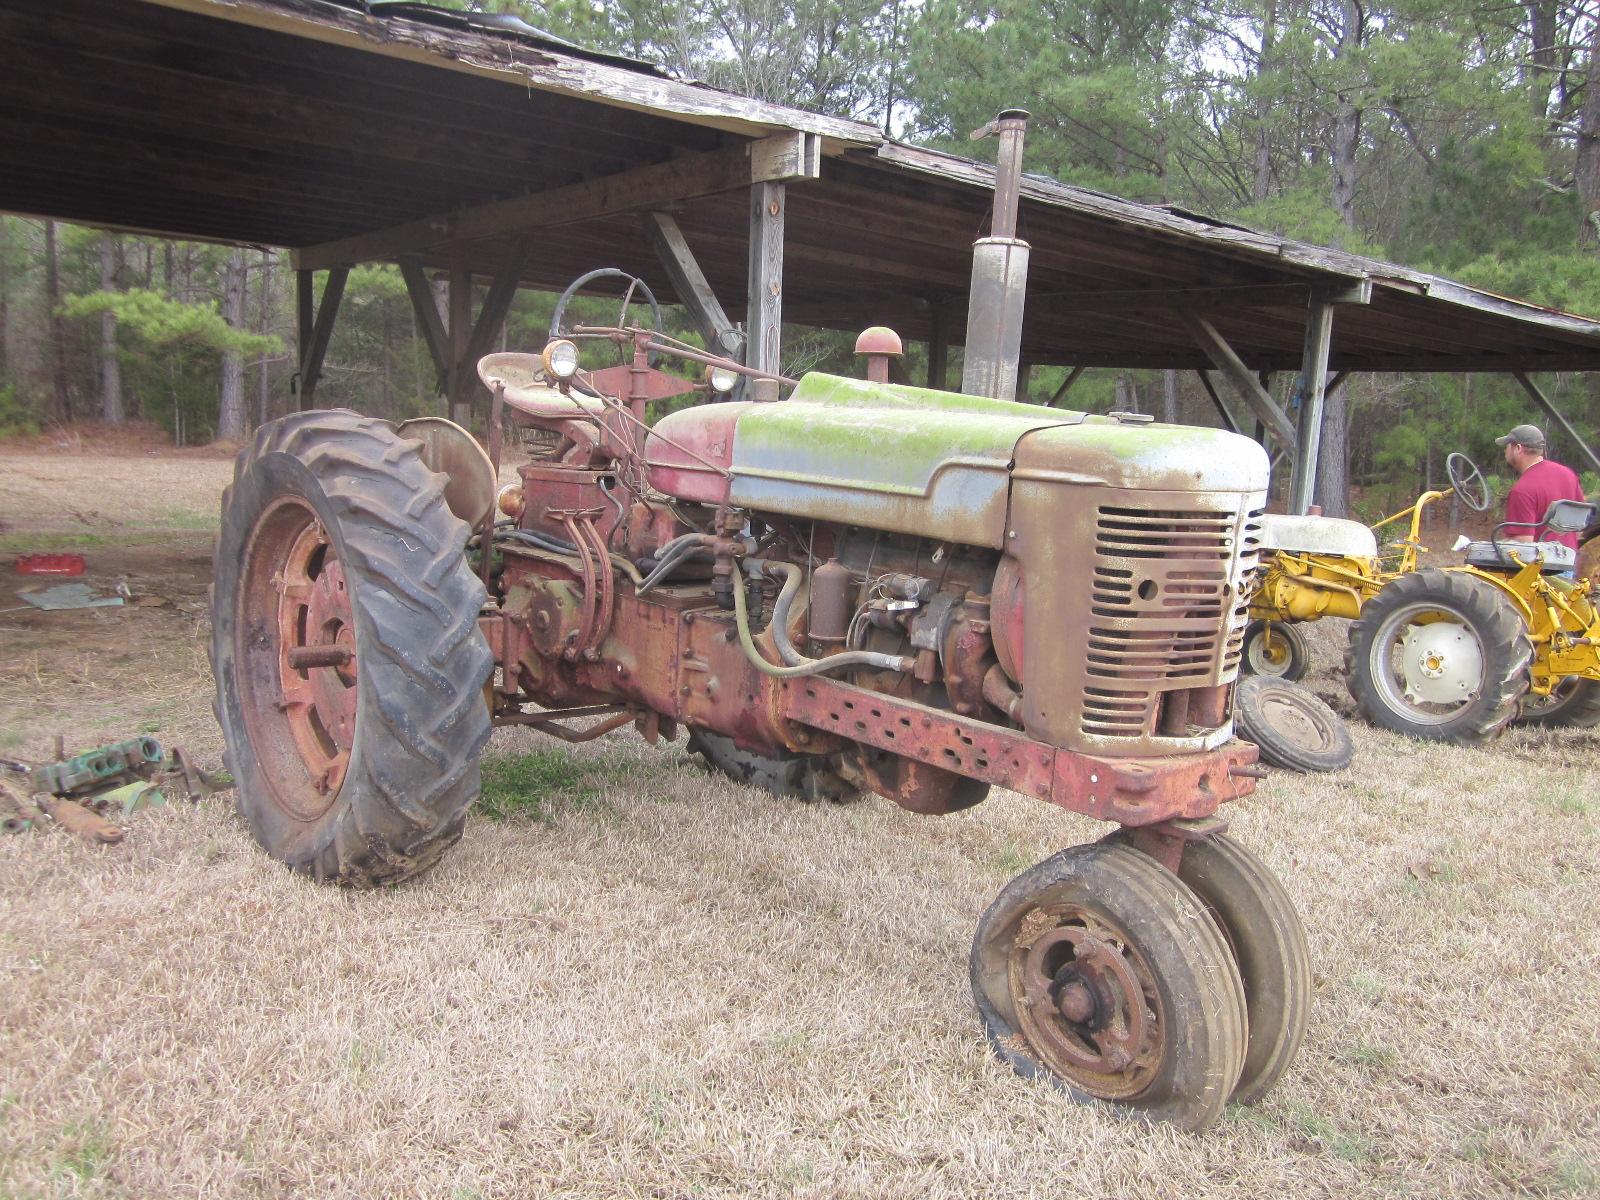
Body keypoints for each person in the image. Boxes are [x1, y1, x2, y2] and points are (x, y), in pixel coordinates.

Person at [1496, 423, 1584, 549]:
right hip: (1569, 563)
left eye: (1507, 446)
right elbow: (1580, 526)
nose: (1505, 450)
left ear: (1518, 448)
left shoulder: (1522, 490)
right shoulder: (1568, 474)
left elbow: (1522, 543)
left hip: (1539, 567)